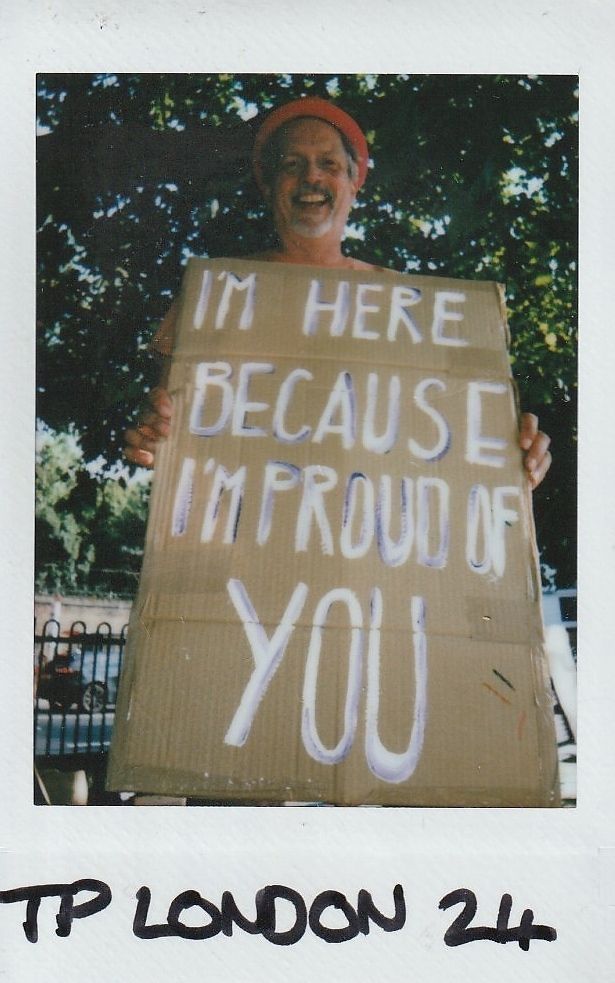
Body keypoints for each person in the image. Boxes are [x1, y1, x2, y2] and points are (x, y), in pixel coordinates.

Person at [125, 95, 551, 485]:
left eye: (328, 164)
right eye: (292, 165)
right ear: (268, 186)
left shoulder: (410, 309)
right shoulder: (213, 297)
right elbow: (168, 420)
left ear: (353, 183)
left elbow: (457, 450)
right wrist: (154, 437)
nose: (310, 176)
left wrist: (511, 461)